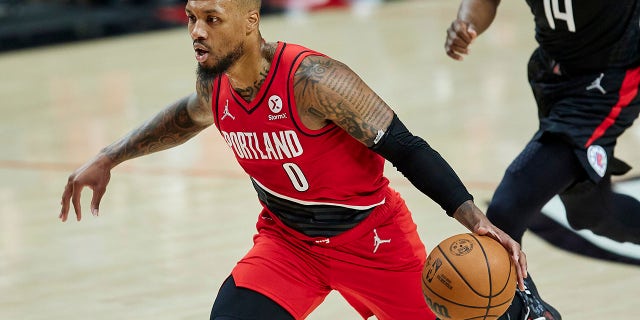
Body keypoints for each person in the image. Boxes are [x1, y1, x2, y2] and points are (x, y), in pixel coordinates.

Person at [59, 0, 528, 319]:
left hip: (372, 240)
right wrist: (108, 157)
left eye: (212, 18)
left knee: (468, 301)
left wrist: (473, 219)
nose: (197, 31)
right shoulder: (213, 83)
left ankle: (529, 309)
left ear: (250, 20)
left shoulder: (315, 80)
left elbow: (406, 148)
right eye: (190, 17)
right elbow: (183, 117)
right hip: (289, 245)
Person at [445, 0, 640, 319]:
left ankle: (533, 313)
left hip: (609, 84)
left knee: (505, 212)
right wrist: (466, 22)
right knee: (591, 213)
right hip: (553, 75)